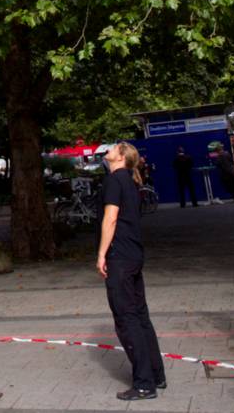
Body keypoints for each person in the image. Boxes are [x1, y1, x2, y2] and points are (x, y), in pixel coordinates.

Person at [97, 142, 165, 401]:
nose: (108, 151)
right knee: (140, 315)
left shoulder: (114, 180)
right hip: (134, 254)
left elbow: (110, 218)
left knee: (126, 319)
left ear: (121, 156)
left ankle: (145, 383)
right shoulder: (131, 181)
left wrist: (102, 253)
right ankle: (157, 374)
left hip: (120, 257)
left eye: (113, 148)